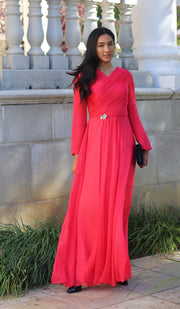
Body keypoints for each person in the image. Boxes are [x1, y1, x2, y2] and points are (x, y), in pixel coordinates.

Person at [51, 27, 152, 293]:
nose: (107, 50)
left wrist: (144, 143)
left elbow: (132, 112)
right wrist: (76, 154)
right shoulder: (84, 78)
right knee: (87, 209)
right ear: (93, 48)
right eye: (101, 45)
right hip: (93, 145)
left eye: (110, 44)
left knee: (117, 209)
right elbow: (78, 121)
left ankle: (117, 270)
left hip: (121, 146)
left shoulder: (125, 77)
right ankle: (77, 273)